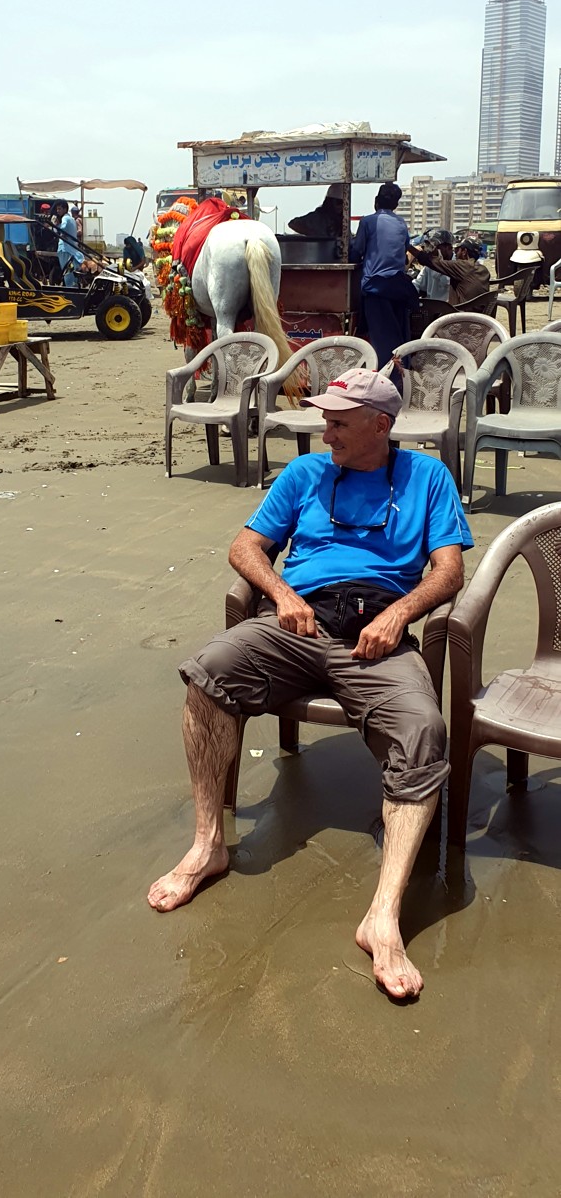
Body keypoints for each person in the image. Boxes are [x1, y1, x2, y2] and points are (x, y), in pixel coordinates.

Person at [148, 368, 473, 1000]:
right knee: (208, 674)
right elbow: (245, 548)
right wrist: (282, 594)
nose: (326, 434)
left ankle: (383, 916)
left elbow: (448, 572)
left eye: (339, 423)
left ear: (381, 425)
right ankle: (208, 845)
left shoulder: (428, 477)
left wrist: (398, 614)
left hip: (376, 633)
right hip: (297, 623)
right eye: (325, 421)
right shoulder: (303, 474)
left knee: (422, 730)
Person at [351, 183, 418, 366]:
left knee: (382, 342)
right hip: (398, 287)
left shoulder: (367, 222)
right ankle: (401, 376)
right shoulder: (401, 223)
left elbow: (356, 252)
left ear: (376, 201)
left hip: (375, 288)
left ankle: (386, 377)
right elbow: (403, 250)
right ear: (396, 205)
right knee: (399, 339)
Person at [409, 235, 491, 310]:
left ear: (464, 252)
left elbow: (427, 260)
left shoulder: (462, 266)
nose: (455, 252)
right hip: (478, 316)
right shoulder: (483, 270)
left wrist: (407, 246)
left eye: (457, 250)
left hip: (459, 316)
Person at [412, 230, 453, 304]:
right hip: (431, 307)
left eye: (436, 246)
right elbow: (418, 284)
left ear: (448, 247)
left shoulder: (457, 266)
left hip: (450, 308)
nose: (432, 250)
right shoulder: (429, 266)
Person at [53, 199, 85, 288]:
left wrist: (55, 226)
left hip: (65, 249)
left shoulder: (65, 218)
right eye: (57, 209)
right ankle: (74, 287)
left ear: (65, 209)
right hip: (72, 249)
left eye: (59, 209)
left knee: (67, 272)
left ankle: (70, 289)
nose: (58, 211)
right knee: (72, 272)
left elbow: (62, 228)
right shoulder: (72, 219)